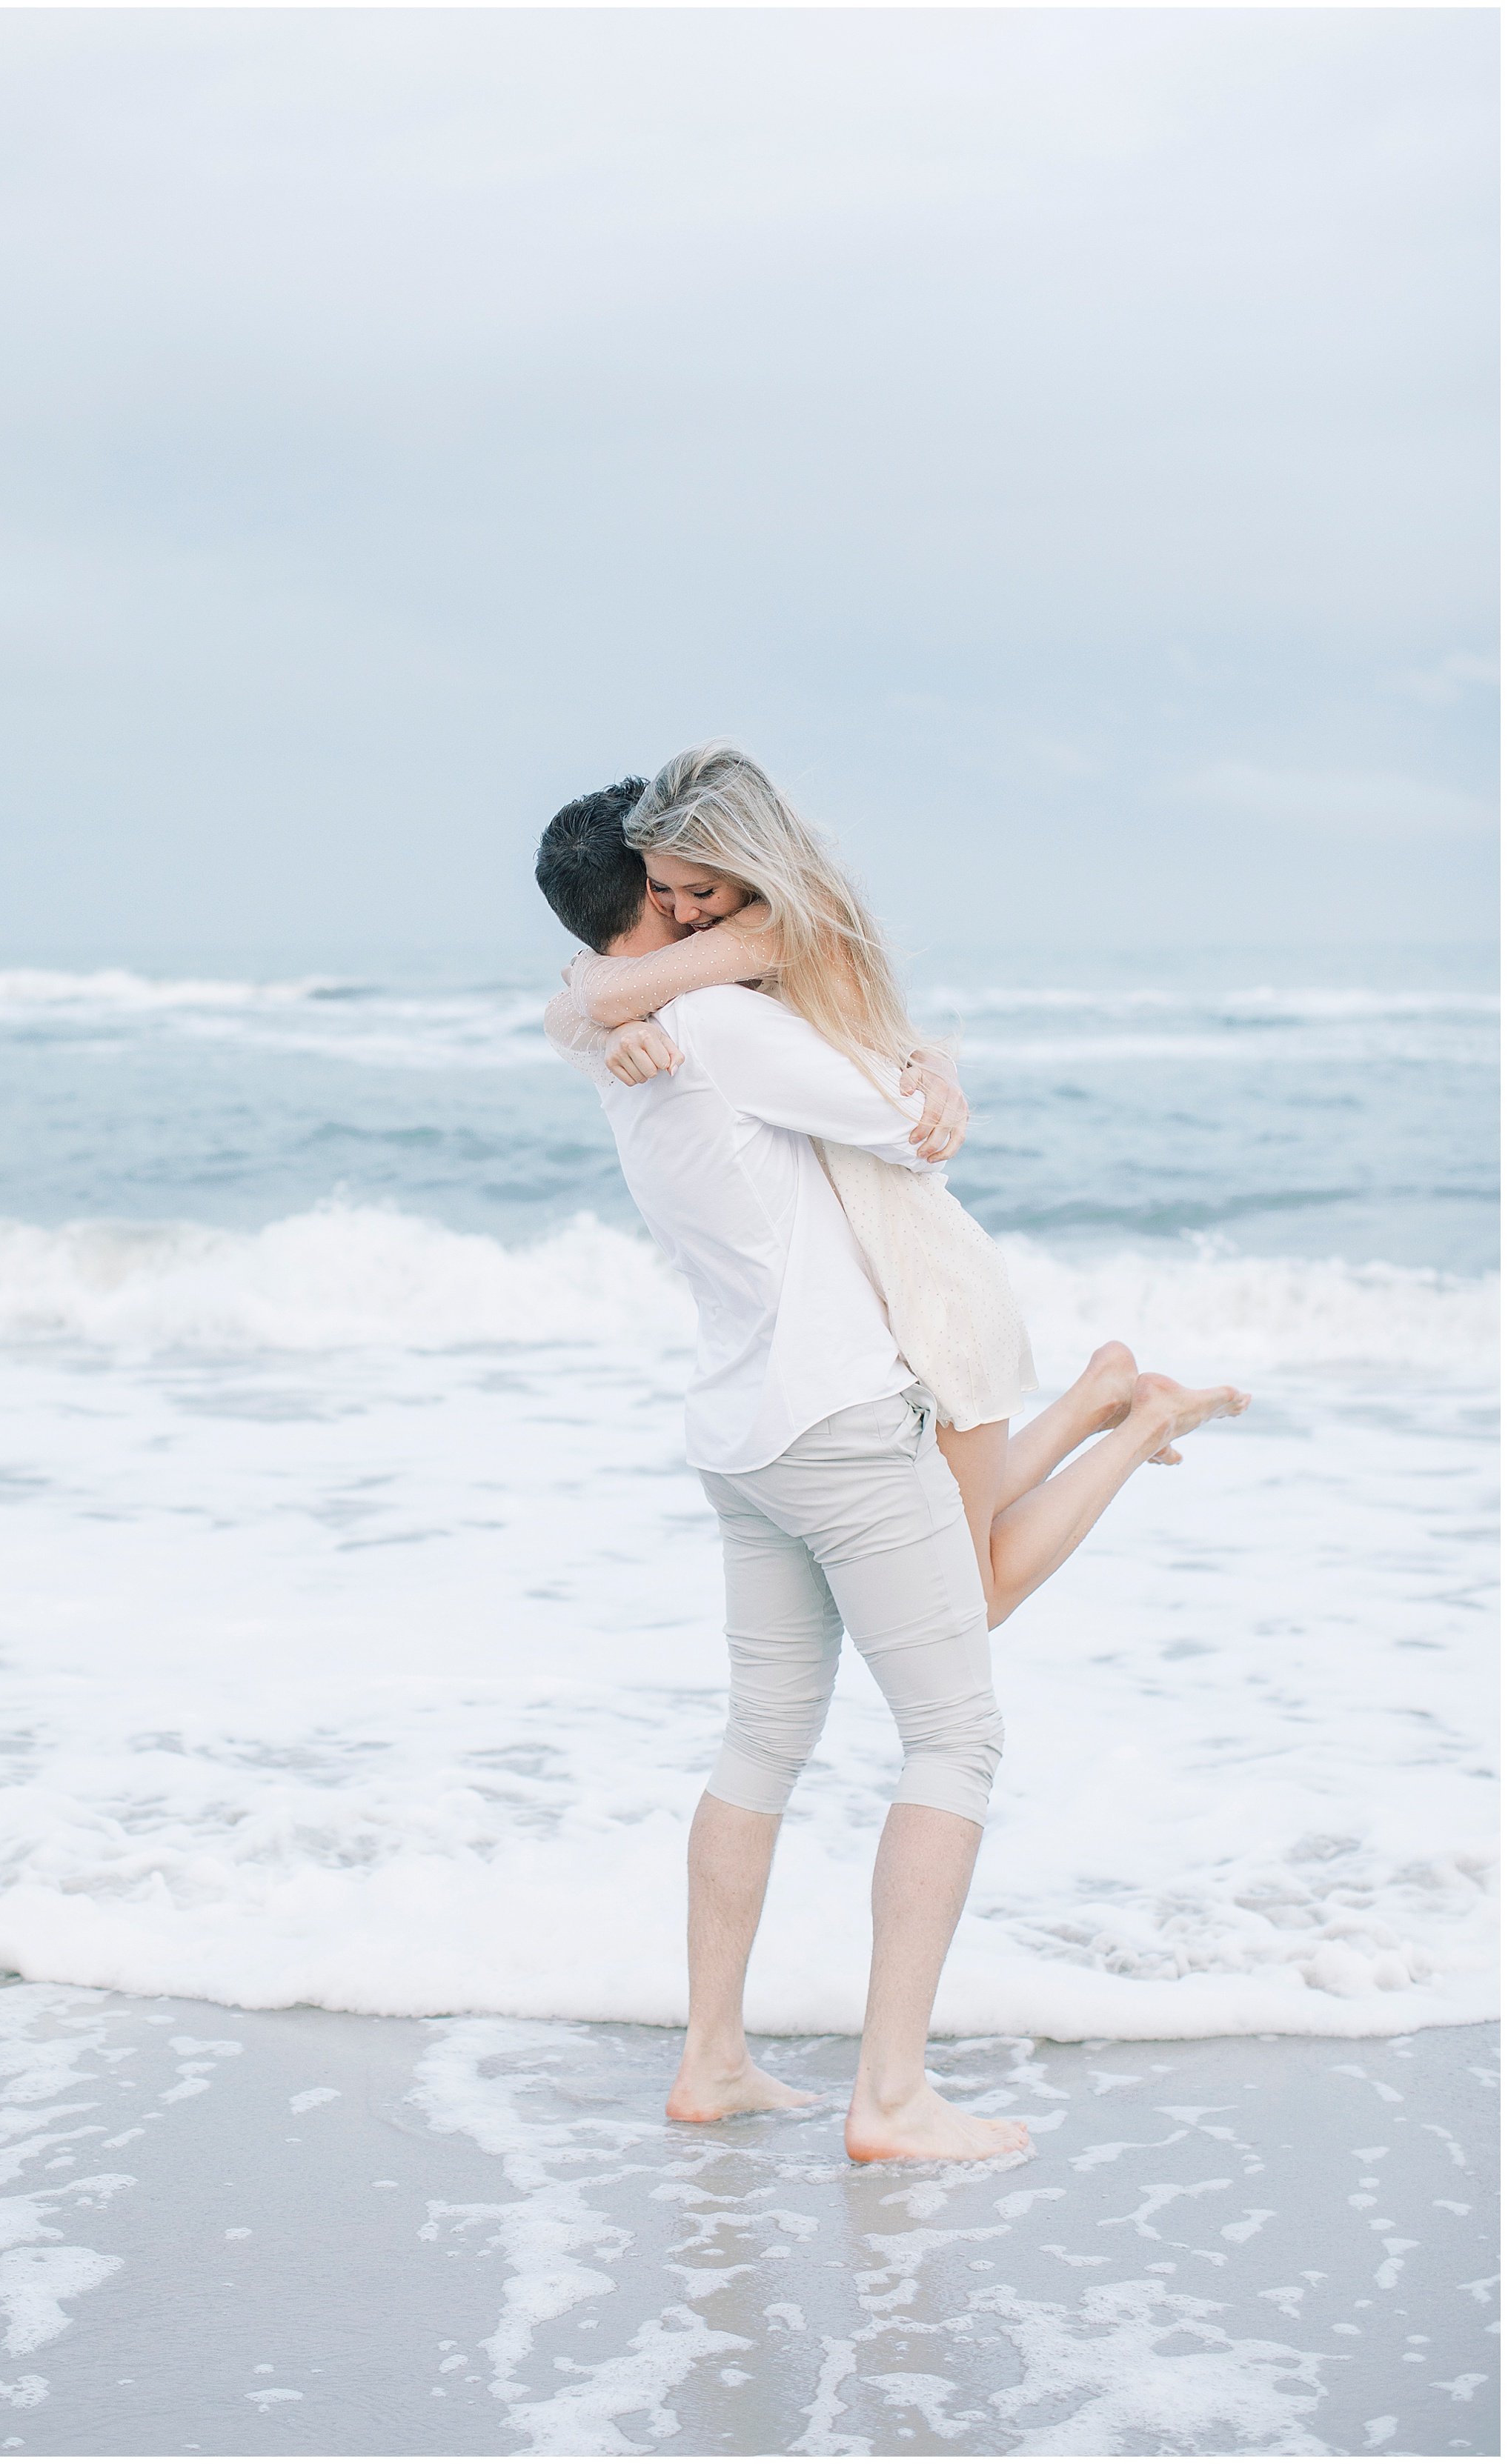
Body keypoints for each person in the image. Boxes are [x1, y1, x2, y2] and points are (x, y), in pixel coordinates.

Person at [535, 750, 1246, 2163]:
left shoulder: (628, 1040)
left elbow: (648, 1021)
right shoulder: (713, 1022)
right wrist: (922, 1064)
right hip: (838, 1426)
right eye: (677, 895)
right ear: (657, 906)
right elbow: (900, 1127)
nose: (693, 913)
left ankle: (715, 2061)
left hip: (738, 1434)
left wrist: (631, 994)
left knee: (762, 1740)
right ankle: (892, 2096)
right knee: (955, 1734)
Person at [548, 747, 1249, 1629]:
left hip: (929, 1283)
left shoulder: (766, 936)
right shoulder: (730, 950)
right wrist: (607, 1020)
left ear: (745, 864)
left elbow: (610, 994)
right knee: (961, 1544)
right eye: (664, 891)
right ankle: (1099, 1397)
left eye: (697, 891)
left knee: (968, 1597)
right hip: (888, 1280)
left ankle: (1142, 1419)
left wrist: (604, 1009)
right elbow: (601, 1001)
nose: (682, 912)